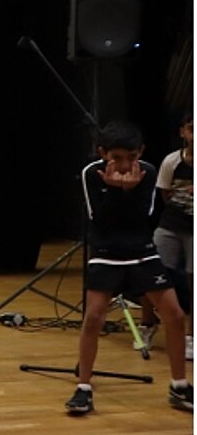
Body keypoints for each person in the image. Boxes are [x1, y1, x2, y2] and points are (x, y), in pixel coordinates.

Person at [66, 121, 193, 415]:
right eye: (118, 158)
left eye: (131, 157)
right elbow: (99, 219)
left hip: (140, 249)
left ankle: (179, 385)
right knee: (95, 316)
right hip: (106, 249)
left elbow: (143, 216)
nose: (125, 164)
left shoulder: (147, 172)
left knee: (174, 314)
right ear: (103, 153)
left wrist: (129, 191)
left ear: (141, 152)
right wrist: (115, 191)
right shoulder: (91, 174)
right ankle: (84, 386)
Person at [149, 112, 193, 359]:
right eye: (192, 129)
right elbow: (164, 195)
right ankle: (147, 323)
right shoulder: (171, 161)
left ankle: (191, 335)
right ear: (183, 132)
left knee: (192, 279)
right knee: (153, 271)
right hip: (171, 224)